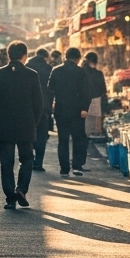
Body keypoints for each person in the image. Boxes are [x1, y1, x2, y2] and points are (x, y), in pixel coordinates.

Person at [0, 41, 43, 209]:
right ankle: (21, 189)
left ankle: (11, 198)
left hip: (4, 124)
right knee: (27, 159)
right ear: (25, 56)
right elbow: (38, 104)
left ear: (8, 55)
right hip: (26, 124)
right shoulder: (32, 75)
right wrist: (34, 122)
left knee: (6, 163)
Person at [47, 47, 91, 177]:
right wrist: (84, 108)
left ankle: (64, 168)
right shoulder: (80, 72)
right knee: (78, 138)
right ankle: (76, 166)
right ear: (78, 58)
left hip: (60, 110)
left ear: (65, 57)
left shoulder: (56, 71)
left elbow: (49, 90)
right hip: (77, 111)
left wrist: (50, 107)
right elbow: (86, 93)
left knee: (63, 140)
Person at [27, 49, 54, 172]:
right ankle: (38, 162)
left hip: (28, 106)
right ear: (46, 57)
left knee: (28, 133)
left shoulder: (27, 67)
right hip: (44, 106)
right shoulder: (48, 68)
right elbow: (51, 89)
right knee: (42, 135)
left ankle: (28, 159)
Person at [82, 52, 108, 141]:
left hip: (84, 100)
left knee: (87, 121)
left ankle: (87, 134)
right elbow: (103, 89)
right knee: (96, 121)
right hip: (96, 99)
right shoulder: (98, 73)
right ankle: (95, 134)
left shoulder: (81, 72)